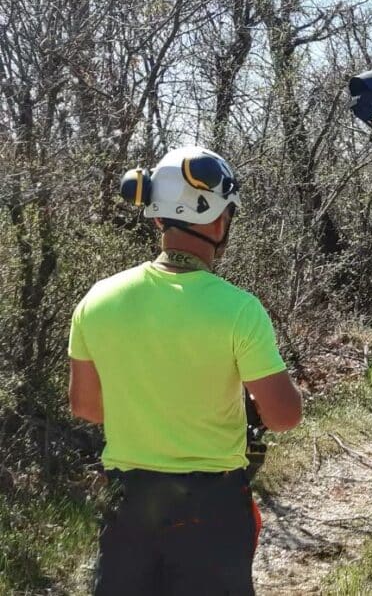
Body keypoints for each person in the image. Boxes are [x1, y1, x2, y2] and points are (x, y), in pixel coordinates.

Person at [68, 146, 302, 595]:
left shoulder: (97, 300)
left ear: (158, 218)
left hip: (127, 505)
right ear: (218, 220)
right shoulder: (239, 311)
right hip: (211, 510)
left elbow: (86, 407)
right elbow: (284, 416)